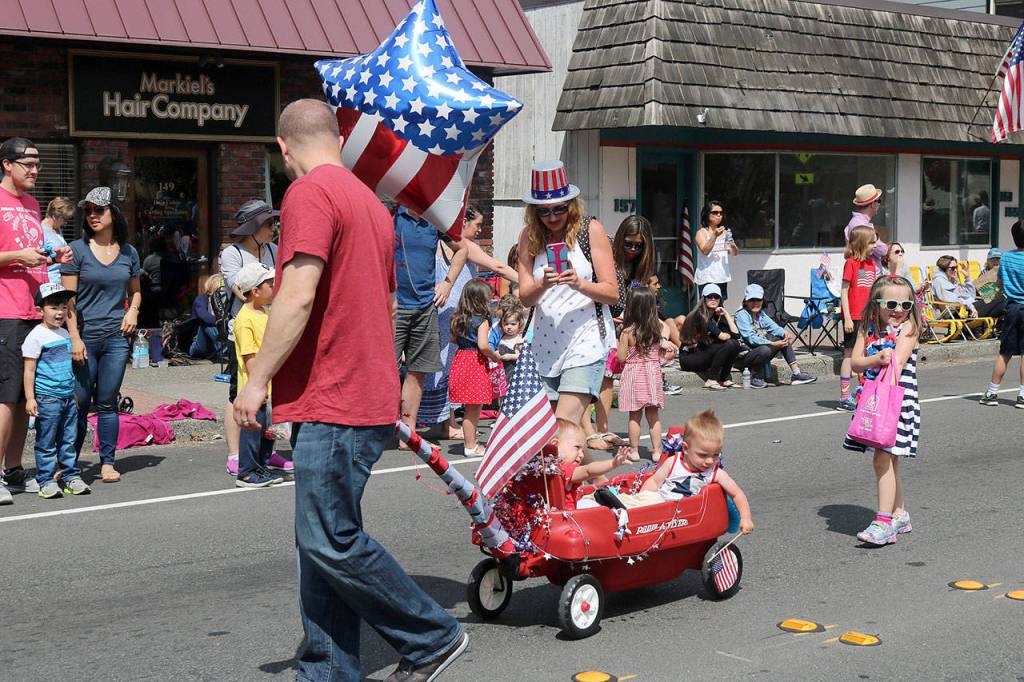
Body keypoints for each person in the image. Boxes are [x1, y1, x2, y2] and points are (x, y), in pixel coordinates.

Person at [233, 99, 466, 682]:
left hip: (334, 395)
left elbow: (297, 294)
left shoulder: (309, 194)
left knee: (326, 538)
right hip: (359, 391)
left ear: (284, 147)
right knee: (321, 544)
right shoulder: (371, 203)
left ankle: (432, 635)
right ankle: (328, 669)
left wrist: (255, 380)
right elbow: (384, 305)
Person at [516, 160, 618, 430]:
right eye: (544, 211)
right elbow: (525, 298)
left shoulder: (590, 229)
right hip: (545, 344)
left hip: (586, 340)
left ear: (571, 204)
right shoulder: (528, 236)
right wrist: (543, 283)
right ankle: (598, 473)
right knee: (554, 434)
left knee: (565, 424)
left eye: (559, 208)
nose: (552, 217)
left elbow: (612, 292)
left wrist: (579, 283)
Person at [0, 137, 71, 503]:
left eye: (38, 164)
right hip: (6, 311)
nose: (35, 170)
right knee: (7, 397)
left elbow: (33, 252)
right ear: (7, 164)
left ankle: (14, 471)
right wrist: (19, 255)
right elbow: (14, 254)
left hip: (35, 307)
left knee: (30, 396)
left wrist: (52, 254)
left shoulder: (31, 204)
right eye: (28, 164)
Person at [61, 186, 141, 484]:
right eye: (88, 211)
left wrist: (132, 310)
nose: (92, 215)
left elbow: (136, 292)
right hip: (84, 335)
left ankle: (107, 462)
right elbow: (68, 299)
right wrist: (74, 337)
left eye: (99, 210)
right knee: (80, 401)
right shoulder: (77, 250)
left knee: (107, 401)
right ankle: (67, 461)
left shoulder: (129, 252)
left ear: (113, 214)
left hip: (116, 338)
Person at [419, 206, 516, 441]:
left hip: (449, 315)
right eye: (477, 224)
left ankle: (447, 422)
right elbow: (498, 267)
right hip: (456, 317)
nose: (480, 229)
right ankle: (449, 423)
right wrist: (528, 281)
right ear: (463, 223)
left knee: (446, 367)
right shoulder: (462, 244)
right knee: (447, 367)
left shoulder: (442, 243)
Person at [842, 275, 921, 546]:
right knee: (891, 459)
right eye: (891, 303)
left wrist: (886, 356)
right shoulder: (867, 329)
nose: (899, 310)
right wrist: (875, 357)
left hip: (896, 403)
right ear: (876, 304)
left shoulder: (908, 328)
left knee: (882, 459)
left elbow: (897, 360)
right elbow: (855, 362)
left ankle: (885, 521)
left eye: (906, 304)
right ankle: (900, 513)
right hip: (874, 402)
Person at [583, 410, 754, 534]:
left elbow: (737, 494)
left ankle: (613, 509)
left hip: (683, 514)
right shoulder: (674, 462)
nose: (709, 461)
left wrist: (745, 517)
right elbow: (655, 482)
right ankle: (599, 503)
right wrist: (644, 497)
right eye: (703, 455)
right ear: (686, 449)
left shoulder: (715, 473)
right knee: (643, 500)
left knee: (640, 506)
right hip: (660, 501)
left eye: (715, 455)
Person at [393, 205, 469, 445]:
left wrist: (447, 283)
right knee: (386, 372)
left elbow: (462, 249)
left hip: (425, 307)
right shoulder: (390, 214)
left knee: (418, 371)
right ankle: (371, 430)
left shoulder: (433, 220)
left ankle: (408, 434)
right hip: (393, 307)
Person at [219, 199, 279, 477]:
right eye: (268, 224)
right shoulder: (232, 254)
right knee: (238, 391)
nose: (273, 228)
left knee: (269, 397)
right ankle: (236, 453)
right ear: (253, 227)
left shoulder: (274, 250)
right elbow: (241, 290)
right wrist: (263, 286)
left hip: (270, 326)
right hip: (242, 329)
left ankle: (268, 454)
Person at [22, 283, 90, 498]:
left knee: (69, 439)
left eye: (63, 306)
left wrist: (72, 394)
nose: (60, 312)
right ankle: (46, 480)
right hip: (47, 398)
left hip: (67, 397)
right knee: (46, 442)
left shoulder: (64, 334)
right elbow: (29, 370)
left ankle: (71, 476)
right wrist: (30, 399)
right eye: (53, 307)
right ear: (40, 310)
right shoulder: (36, 336)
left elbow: (68, 368)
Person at [231, 263, 284, 489]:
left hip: (270, 385)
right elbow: (250, 357)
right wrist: (258, 385)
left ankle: (261, 467)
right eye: (269, 285)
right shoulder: (245, 321)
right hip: (255, 387)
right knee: (252, 431)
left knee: (266, 433)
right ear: (255, 291)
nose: (274, 288)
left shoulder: (265, 312)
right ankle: (246, 472)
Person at [448, 279, 503, 457]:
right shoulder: (482, 321)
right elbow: (483, 345)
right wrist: (494, 355)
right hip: (476, 363)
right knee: (474, 409)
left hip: (461, 359)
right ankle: (470, 446)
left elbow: (453, 339)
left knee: (468, 407)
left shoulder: (457, 318)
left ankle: (470, 443)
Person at [616, 287, 669, 461]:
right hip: (652, 373)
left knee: (635, 415)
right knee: (653, 415)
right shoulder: (657, 330)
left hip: (633, 374)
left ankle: (634, 450)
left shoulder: (627, 332)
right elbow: (663, 352)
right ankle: (656, 451)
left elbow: (621, 357)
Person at [735, 283, 817, 388]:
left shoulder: (761, 315)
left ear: (762, 301)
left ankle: (796, 373)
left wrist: (785, 333)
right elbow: (750, 339)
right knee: (765, 349)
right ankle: (754, 377)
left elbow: (774, 327)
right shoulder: (742, 315)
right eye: (752, 300)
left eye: (758, 300)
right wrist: (772, 343)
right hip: (745, 356)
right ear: (746, 301)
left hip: (759, 351)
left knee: (783, 339)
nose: (755, 303)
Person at [979, 222, 1024, 408]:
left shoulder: (1005, 258)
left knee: (1005, 352)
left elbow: (999, 283)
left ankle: (992, 392)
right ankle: (1022, 396)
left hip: (1012, 308)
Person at [838, 226, 879, 411]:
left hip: (869, 316)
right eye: (871, 242)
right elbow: (844, 292)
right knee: (849, 355)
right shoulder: (851, 263)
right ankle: (845, 397)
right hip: (853, 317)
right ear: (862, 243)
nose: (874, 246)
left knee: (865, 355)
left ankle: (863, 392)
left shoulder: (871, 264)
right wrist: (846, 317)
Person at [550, 418, 630, 510]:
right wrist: (613, 463)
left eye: (582, 450)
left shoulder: (540, 466)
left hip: (546, 518)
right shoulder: (563, 469)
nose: (582, 455)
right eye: (577, 447)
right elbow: (588, 470)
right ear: (555, 445)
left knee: (588, 503)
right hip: (568, 520)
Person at [678, 283, 743, 391]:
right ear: (704, 299)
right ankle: (711, 380)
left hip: (705, 354)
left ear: (720, 299)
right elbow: (722, 336)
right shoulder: (699, 315)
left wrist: (726, 314)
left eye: (716, 297)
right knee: (728, 344)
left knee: (734, 344)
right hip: (689, 358)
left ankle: (724, 379)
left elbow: (736, 336)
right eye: (710, 296)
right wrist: (725, 336)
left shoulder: (719, 316)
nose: (713, 299)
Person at [694, 200, 738, 302]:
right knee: (707, 306)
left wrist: (733, 246)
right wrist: (714, 235)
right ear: (707, 214)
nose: (718, 215)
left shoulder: (726, 232)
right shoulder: (701, 233)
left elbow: (734, 253)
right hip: (707, 277)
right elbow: (705, 250)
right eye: (714, 212)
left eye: (721, 213)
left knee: (720, 306)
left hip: (721, 276)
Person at [845, 184, 888, 266]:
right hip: (865, 273)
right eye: (879, 201)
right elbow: (882, 250)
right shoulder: (862, 225)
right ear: (872, 204)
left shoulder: (855, 222)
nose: (879, 204)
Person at [188, 274, 227, 360]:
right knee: (206, 324)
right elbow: (205, 317)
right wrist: (223, 321)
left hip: (215, 344)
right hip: (198, 346)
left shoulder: (223, 300)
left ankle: (222, 350)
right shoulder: (201, 299)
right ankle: (223, 351)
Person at [41, 197, 74, 285]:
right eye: (65, 219)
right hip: (49, 282)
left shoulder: (57, 229)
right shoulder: (41, 231)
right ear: (55, 216)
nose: (66, 223)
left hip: (58, 281)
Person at [973, 247, 1007, 319]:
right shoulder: (984, 273)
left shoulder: (1003, 271)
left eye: (998, 259)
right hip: (988, 301)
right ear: (988, 260)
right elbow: (982, 292)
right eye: (993, 259)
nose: (996, 261)